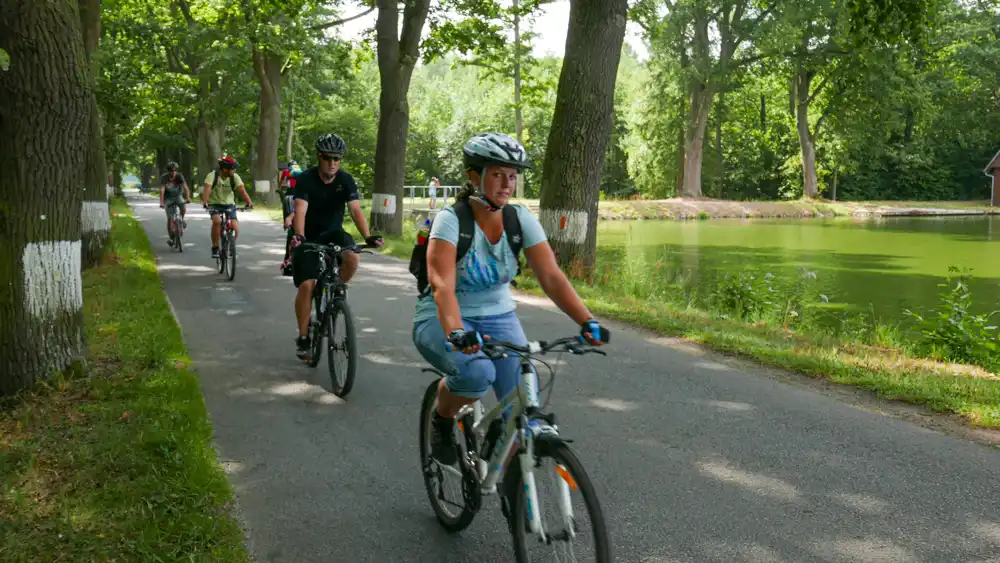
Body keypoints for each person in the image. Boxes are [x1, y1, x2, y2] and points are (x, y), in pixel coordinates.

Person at [412, 132, 608, 466]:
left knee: (524, 410)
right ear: (475, 177)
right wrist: (457, 332)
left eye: (513, 176)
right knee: (477, 374)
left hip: (499, 318)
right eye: (499, 174)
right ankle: (442, 420)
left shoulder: (519, 219)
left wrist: (587, 320)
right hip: (443, 318)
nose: (507, 184)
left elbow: (551, 276)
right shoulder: (450, 221)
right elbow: (442, 284)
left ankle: (514, 494)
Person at [289, 133, 384, 360]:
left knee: (353, 257)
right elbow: (300, 210)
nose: (332, 163)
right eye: (327, 157)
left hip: (334, 233)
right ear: (319, 157)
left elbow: (355, 211)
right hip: (308, 236)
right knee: (307, 286)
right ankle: (303, 337)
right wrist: (300, 236)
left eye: (337, 158)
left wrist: (368, 236)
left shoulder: (346, 180)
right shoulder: (305, 179)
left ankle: (337, 289)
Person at [201, 156, 253, 259]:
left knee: (236, 229)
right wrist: (205, 202)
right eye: (232, 169)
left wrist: (249, 203)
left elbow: (242, 191)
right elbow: (207, 189)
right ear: (225, 169)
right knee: (217, 221)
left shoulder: (235, 177)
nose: (234, 171)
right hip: (214, 203)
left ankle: (230, 246)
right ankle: (215, 247)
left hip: (229, 204)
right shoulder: (212, 176)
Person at [159, 161, 191, 246]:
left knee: (183, 208)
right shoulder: (164, 177)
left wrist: (188, 197)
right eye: (170, 170)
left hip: (177, 196)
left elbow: (185, 187)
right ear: (168, 171)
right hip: (168, 198)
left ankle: (181, 219)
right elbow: (162, 190)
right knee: (170, 218)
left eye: (174, 170)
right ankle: (171, 238)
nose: (172, 172)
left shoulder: (179, 176)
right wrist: (161, 202)